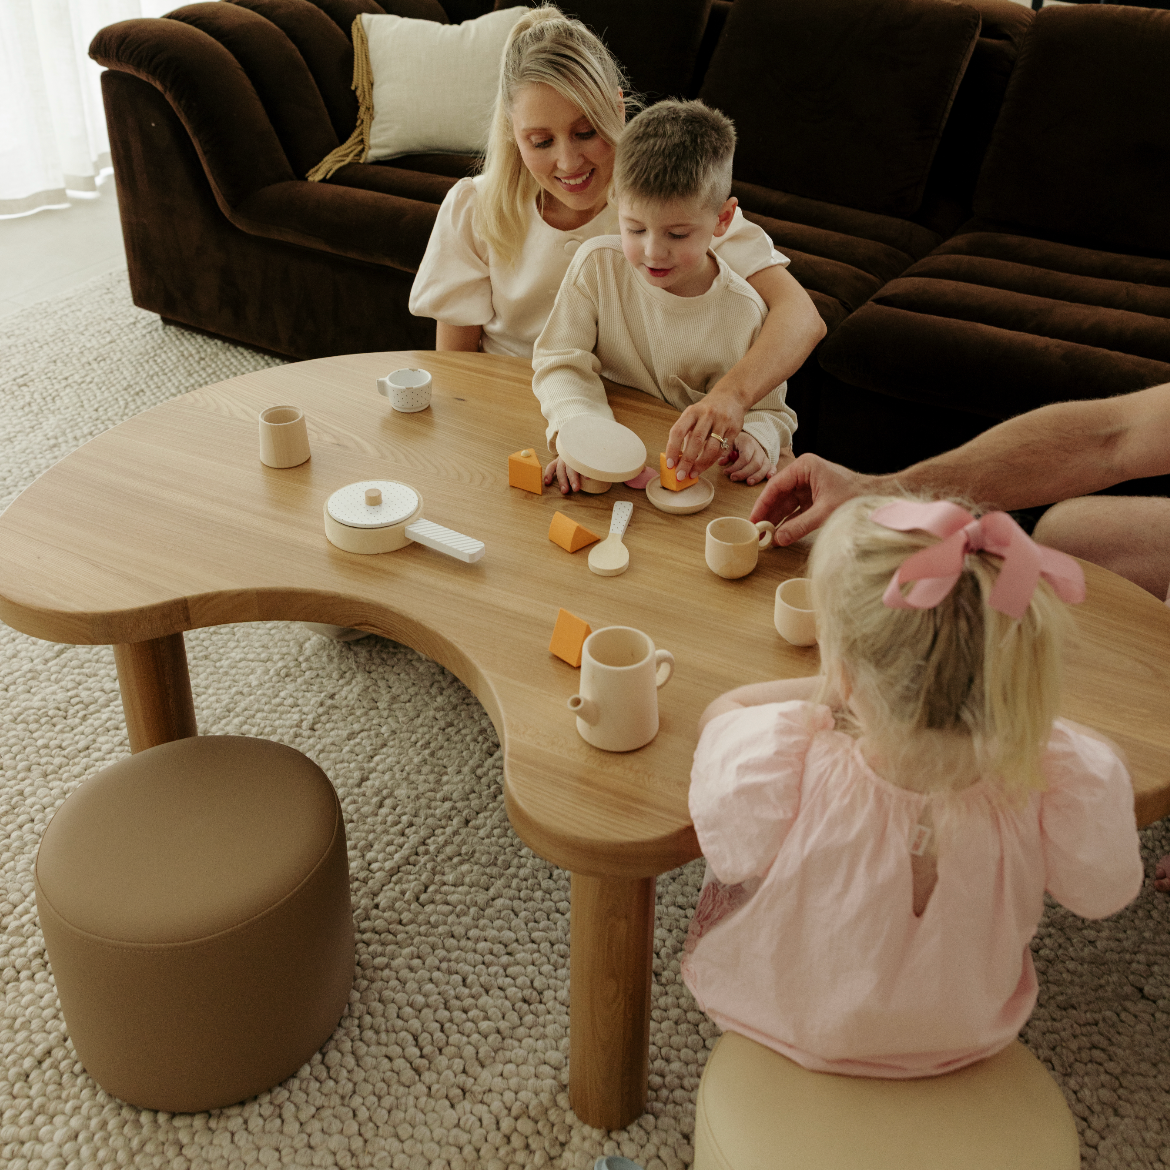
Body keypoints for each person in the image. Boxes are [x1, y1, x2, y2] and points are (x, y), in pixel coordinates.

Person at [682, 494, 1143, 1076]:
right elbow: (1104, 885)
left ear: (844, 676)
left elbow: (723, 748)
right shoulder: (1051, 770)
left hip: (791, 1021)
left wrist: (839, 688)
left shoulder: (793, 759)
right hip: (966, 1031)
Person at [408, 6, 825, 487]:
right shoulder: (474, 207)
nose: (568, 161)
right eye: (540, 141)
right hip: (528, 423)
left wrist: (731, 396)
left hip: (627, 430)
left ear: (618, 108)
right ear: (511, 132)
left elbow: (800, 317)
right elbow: (457, 371)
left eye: (587, 132)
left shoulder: (664, 208)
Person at [531, 100, 796, 491]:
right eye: (635, 229)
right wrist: (579, 434)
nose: (653, 252)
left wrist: (757, 439)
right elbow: (559, 363)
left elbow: (770, 412)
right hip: (608, 461)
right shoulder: (596, 267)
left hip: (691, 480)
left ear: (722, 219)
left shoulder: (744, 312)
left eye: (677, 234)